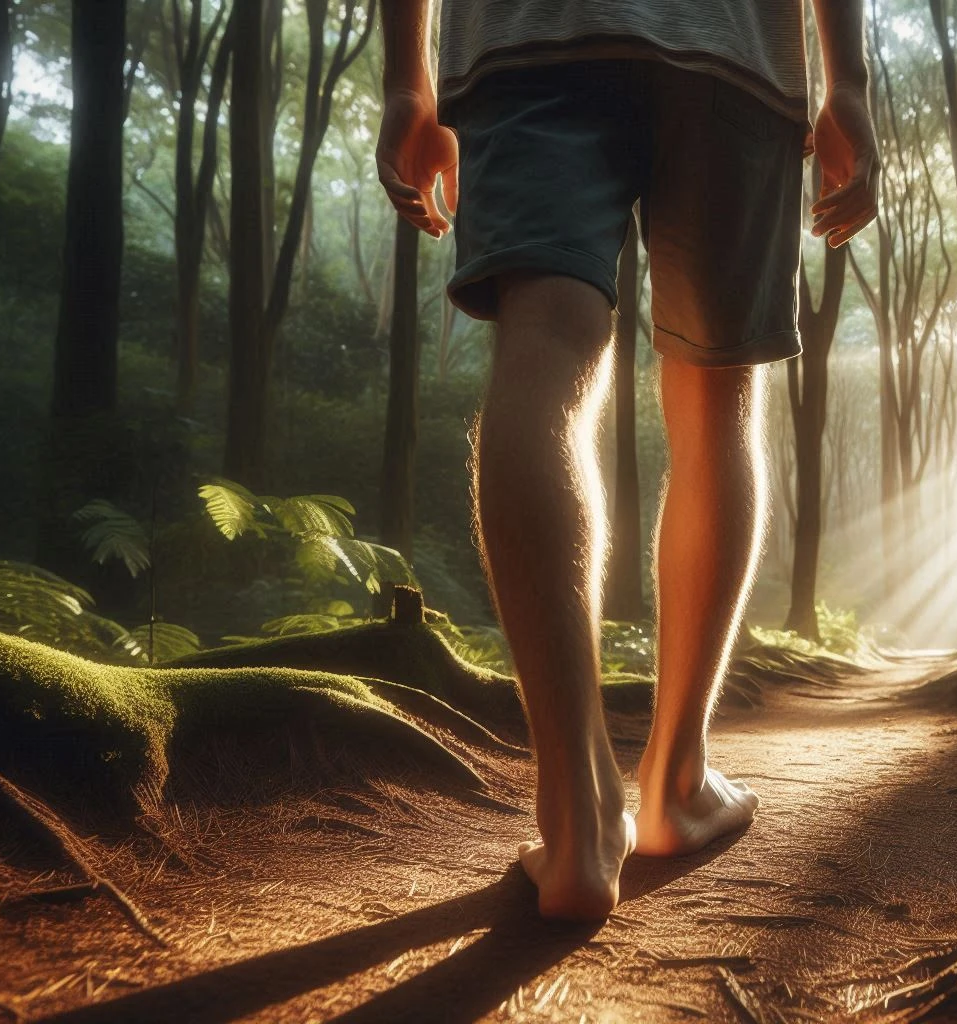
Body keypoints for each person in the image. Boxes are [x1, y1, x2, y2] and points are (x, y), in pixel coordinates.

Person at [375, 0, 877, 920]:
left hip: (527, 38)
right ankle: (675, 783)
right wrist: (847, 79)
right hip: (733, 55)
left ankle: (574, 820)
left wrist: (406, 81)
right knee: (718, 394)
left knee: (545, 344)